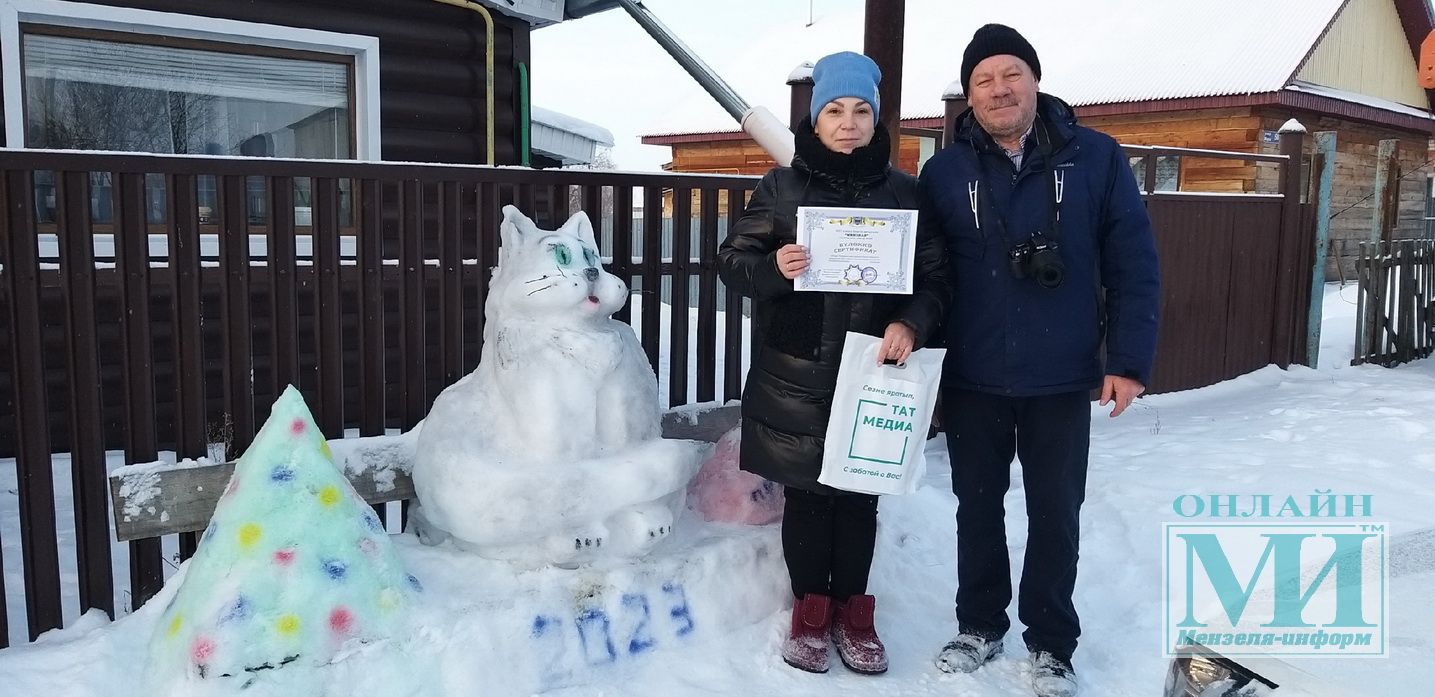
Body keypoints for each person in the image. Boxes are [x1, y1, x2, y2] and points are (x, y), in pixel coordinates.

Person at [917, 24, 1160, 697]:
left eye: (1010, 73)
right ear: (968, 95)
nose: (999, 89)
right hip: (973, 373)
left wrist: (1129, 358)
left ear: (1034, 80)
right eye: (983, 80)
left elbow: (1133, 263)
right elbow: (923, 272)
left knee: (1056, 509)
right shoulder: (945, 171)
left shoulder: (1095, 159)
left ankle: (1050, 640)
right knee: (976, 505)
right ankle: (979, 622)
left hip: (1061, 372)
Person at [717, 51, 950, 676]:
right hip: (796, 371)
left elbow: (935, 278)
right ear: (815, 119)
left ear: (878, 120)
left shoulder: (905, 192)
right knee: (809, 498)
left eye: (862, 110)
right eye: (835, 110)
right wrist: (774, 267)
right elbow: (733, 261)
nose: (848, 123)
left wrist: (911, 322)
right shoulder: (782, 186)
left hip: (874, 369)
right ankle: (810, 611)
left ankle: (853, 610)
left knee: (858, 500)